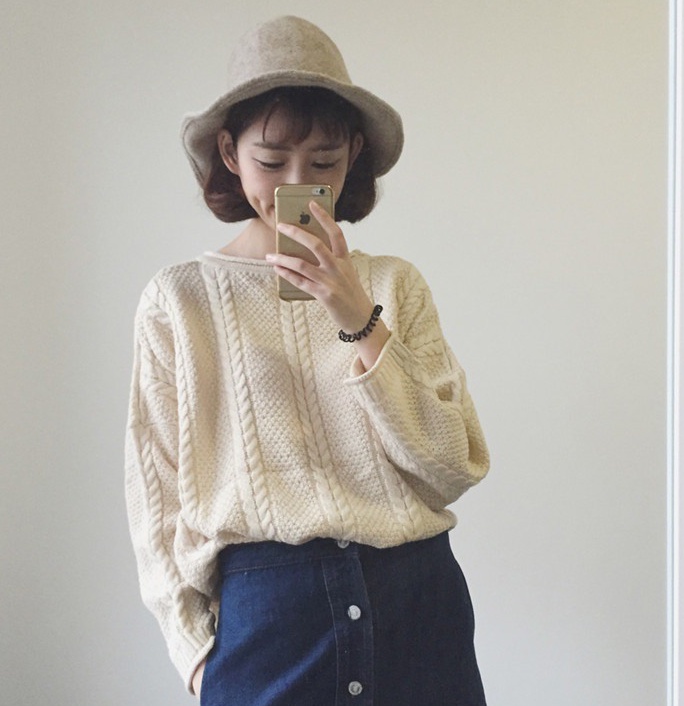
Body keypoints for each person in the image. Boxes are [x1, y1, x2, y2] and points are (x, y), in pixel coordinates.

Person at [125, 15, 490, 706]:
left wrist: (358, 319)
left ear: (354, 153)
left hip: (416, 608)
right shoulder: (178, 302)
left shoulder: (394, 285)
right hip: (268, 619)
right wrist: (195, 655)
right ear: (230, 152)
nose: (298, 182)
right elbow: (157, 500)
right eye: (272, 161)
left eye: (323, 162)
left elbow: (451, 467)